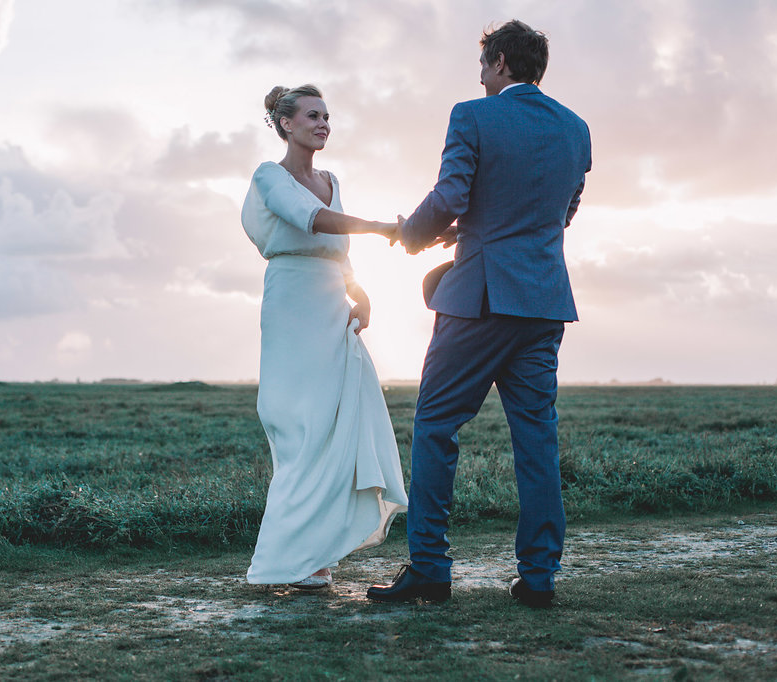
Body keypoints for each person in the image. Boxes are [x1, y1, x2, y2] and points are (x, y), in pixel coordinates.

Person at [367, 20, 591, 606]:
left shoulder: (473, 115)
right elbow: (559, 212)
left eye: (483, 62)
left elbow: (449, 196)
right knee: (536, 440)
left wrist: (413, 236)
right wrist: (476, 231)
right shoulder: (577, 129)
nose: (480, 73)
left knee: (437, 425)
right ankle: (539, 576)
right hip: (543, 301)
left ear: (496, 63)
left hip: (482, 301)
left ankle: (430, 569)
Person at [242, 84, 408, 589]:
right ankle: (279, 560)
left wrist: (361, 291)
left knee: (338, 425)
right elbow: (311, 220)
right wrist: (383, 227)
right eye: (313, 116)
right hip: (292, 305)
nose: (324, 124)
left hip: (333, 307)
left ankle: (316, 556)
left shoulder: (332, 179)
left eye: (328, 116)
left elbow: (338, 246)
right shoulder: (270, 176)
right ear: (285, 124)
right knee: (301, 428)